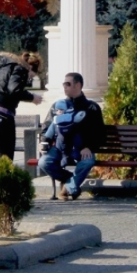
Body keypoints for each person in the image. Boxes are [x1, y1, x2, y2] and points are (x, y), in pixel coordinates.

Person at [39, 72, 105, 201]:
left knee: (88, 161)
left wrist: (88, 147)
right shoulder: (57, 106)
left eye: (67, 84)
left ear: (78, 85)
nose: (64, 87)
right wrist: (43, 142)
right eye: (64, 84)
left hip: (80, 149)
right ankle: (71, 182)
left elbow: (100, 133)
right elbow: (47, 127)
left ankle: (67, 188)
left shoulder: (91, 108)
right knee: (44, 162)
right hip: (59, 147)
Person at [42, 98, 86, 168]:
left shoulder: (85, 106)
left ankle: (72, 175)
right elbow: (47, 130)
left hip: (76, 147)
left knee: (86, 161)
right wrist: (45, 141)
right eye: (58, 110)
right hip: (58, 147)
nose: (59, 111)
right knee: (44, 162)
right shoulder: (55, 119)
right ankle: (68, 177)